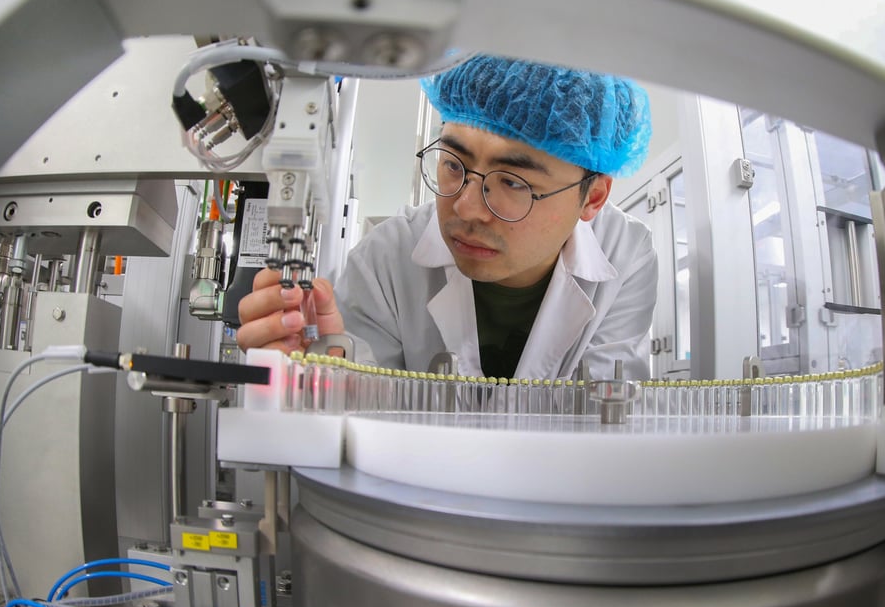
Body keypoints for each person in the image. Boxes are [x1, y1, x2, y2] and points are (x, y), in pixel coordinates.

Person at [237, 54, 658, 381]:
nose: (466, 208)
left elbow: (607, 417)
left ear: (593, 197)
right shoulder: (387, 257)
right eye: (454, 163)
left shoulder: (627, 255)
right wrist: (322, 370)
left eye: (513, 182)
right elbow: (355, 401)